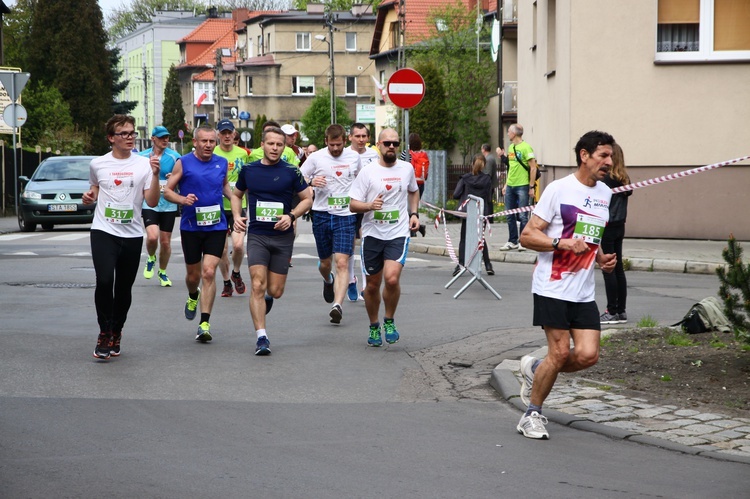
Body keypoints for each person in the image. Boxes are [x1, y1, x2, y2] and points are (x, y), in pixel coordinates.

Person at [516, 130, 617, 439]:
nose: (609, 162)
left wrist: (599, 258)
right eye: (603, 155)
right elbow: (527, 235)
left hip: (583, 291)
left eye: (610, 156)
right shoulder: (558, 190)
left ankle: (536, 370)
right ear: (584, 156)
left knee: (588, 355)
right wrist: (561, 243)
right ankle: (531, 415)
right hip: (552, 286)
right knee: (559, 353)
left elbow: (589, 234)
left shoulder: (605, 194)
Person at [231, 126, 312, 355]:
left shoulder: (291, 171)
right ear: (262, 145)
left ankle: (269, 295)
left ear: (284, 146)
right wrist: (237, 216)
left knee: (275, 291)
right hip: (257, 235)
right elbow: (236, 195)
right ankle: (262, 337)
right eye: (271, 144)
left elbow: (307, 198)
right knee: (257, 284)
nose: (275, 148)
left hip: (282, 237)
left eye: (279, 144)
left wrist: (292, 215)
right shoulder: (249, 170)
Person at [85, 115, 161, 360]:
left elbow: (151, 201)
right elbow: (95, 189)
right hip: (103, 230)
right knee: (105, 280)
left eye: (132, 133)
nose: (130, 137)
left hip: (131, 234)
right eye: (124, 134)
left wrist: (157, 175)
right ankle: (104, 332)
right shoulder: (98, 164)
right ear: (111, 138)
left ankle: (117, 330)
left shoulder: (144, 165)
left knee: (124, 287)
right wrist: (90, 197)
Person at [349, 128, 420, 347]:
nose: (391, 147)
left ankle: (389, 320)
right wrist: (370, 205)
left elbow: (413, 190)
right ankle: (373, 325)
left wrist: (414, 213)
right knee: (372, 285)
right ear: (378, 144)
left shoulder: (406, 168)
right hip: (372, 234)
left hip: (397, 232)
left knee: (391, 278)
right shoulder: (368, 172)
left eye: (395, 144)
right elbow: (352, 204)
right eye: (387, 143)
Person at [163, 124, 233, 343]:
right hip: (191, 227)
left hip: (216, 226)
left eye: (212, 141)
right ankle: (193, 294)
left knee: (209, 272)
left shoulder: (221, 163)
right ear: (195, 142)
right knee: (193, 277)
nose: (209, 145)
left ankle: (204, 323)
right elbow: (167, 191)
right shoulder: (183, 163)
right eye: (204, 141)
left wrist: (237, 207)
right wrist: (183, 200)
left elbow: (226, 187)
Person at [301, 124, 362, 324]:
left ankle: (337, 305)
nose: (335, 149)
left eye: (338, 145)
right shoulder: (316, 157)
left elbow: (362, 181)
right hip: (322, 214)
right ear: (326, 141)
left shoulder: (354, 158)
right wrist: (310, 182)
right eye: (331, 145)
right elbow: (298, 176)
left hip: (345, 215)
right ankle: (328, 280)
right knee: (326, 263)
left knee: (342, 262)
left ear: (345, 141)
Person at [139, 126, 182, 287]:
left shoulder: (174, 157)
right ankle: (151, 257)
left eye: (167, 137)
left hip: (168, 205)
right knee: (152, 236)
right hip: (150, 202)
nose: (165, 140)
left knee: (165, 242)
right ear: (153, 139)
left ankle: (162, 272)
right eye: (162, 137)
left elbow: (182, 175)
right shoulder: (142, 157)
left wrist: (175, 177)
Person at [214, 119, 249, 298]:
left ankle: (236, 272)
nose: (227, 136)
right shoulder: (212, 153)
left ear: (234, 134)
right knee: (220, 250)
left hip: (239, 206)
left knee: (238, 246)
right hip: (218, 207)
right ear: (218, 134)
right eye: (223, 133)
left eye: (229, 133)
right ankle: (227, 282)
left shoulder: (243, 154)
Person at [345, 123, 380, 302]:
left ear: (368, 138)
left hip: (368, 205)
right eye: (357, 136)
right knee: (350, 244)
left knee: (366, 243)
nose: (360, 140)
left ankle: (366, 286)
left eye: (363, 136)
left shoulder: (374, 155)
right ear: (350, 137)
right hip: (349, 204)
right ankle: (351, 280)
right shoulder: (344, 154)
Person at [599, 143, 632, 324]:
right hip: (620, 226)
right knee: (618, 268)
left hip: (608, 226)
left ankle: (611, 311)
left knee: (608, 268)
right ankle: (621, 310)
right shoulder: (624, 178)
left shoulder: (606, 180)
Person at [452, 154, 494, 276]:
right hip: (481, 212)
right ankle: (488, 265)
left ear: (472, 164)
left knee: (464, 239)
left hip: (468, 213)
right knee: (481, 238)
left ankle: (460, 265)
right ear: (484, 165)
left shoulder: (465, 178)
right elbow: (489, 197)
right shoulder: (487, 179)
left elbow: (456, 194)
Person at [501, 124, 538, 251]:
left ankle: (523, 241)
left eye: (509, 131)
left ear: (515, 133)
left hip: (522, 185)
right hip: (511, 185)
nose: (507, 134)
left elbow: (533, 168)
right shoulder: (511, 147)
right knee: (509, 214)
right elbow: (511, 167)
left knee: (523, 215)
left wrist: (531, 186)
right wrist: (506, 184)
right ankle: (512, 241)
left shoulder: (526, 147)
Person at [400, 133, 428, 237]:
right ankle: (417, 228)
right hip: (421, 183)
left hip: (409, 183)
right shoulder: (423, 154)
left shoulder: (406, 154)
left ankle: (413, 230)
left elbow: (401, 168)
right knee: (415, 206)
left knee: (408, 207)